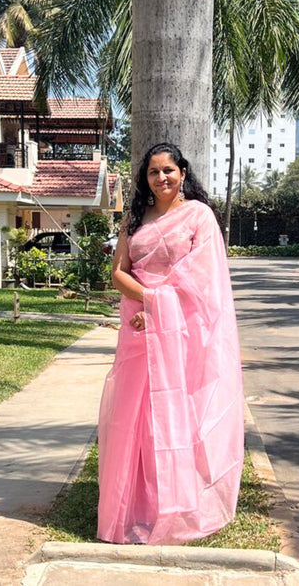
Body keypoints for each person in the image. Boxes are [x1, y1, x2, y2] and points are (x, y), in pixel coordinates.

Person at [97, 142, 244, 545]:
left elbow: (203, 278)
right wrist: (150, 302)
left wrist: (162, 308)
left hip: (184, 331)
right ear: (145, 179)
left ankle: (178, 505)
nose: (161, 178)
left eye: (168, 170)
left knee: (179, 411)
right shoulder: (135, 220)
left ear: (182, 173)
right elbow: (119, 274)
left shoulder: (198, 216)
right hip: (140, 326)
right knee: (135, 415)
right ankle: (134, 508)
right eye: (153, 172)